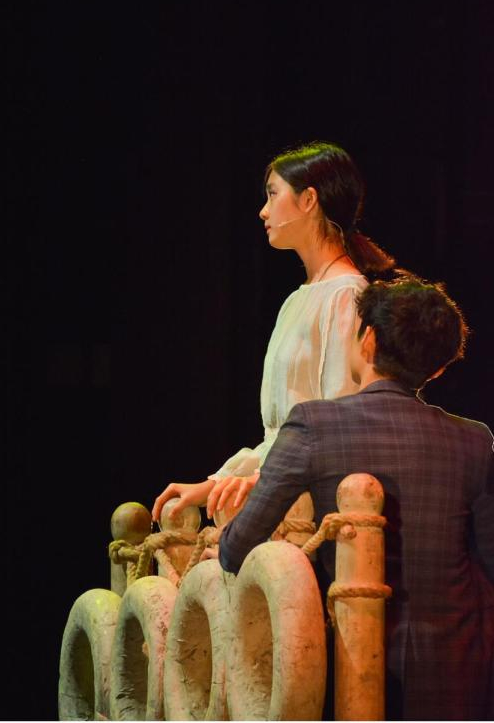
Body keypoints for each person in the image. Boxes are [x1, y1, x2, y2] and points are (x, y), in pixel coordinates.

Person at [217, 274, 494, 722]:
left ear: (368, 340)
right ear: (437, 368)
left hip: (352, 673)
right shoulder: (472, 440)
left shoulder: (312, 425)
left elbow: (237, 549)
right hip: (459, 671)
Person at [151, 141, 395, 529]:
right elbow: (280, 437)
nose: (263, 211)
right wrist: (215, 484)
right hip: (282, 490)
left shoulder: (346, 296)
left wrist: (265, 481)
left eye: (273, 194)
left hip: (314, 509)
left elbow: (340, 425)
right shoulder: (298, 299)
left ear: (308, 200)